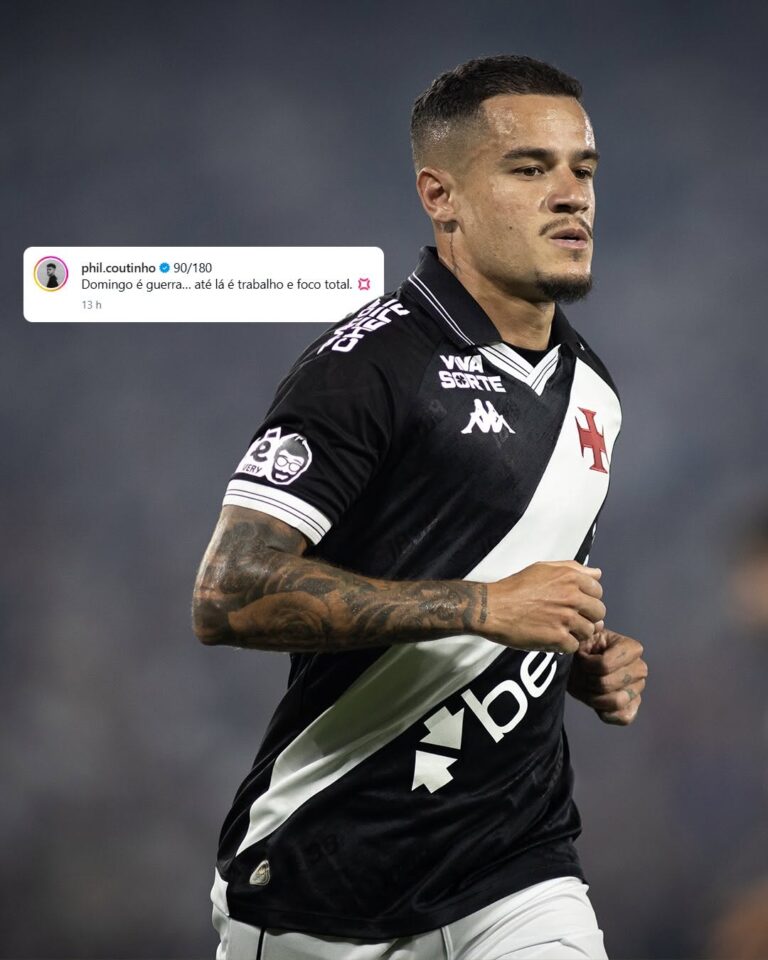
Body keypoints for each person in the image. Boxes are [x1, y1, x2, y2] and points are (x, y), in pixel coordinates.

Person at [193, 54, 648, 960]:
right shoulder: (364, 369)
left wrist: (580, 653)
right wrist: (484, 609)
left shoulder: (594, 389)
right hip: (324, 882)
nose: (571, 195)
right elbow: (228, 594)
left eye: (583, 169)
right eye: (530, 168)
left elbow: (515, 580)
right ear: (441, 197)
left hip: (519, 869)